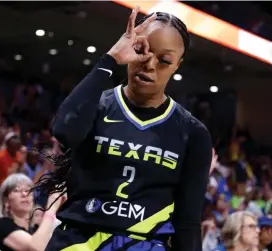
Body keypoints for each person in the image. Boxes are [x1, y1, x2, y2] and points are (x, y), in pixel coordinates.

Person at [35, 6, 212, 251]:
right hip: (78, 241)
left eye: (164, 61)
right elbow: (65, 130)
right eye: (142, 50)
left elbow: (187, 222)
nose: (150, 64)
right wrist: (110, 59)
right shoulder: (96, 106)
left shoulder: (193, 133)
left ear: (177, 65)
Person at [0, 173, 65, 251]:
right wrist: (51, 207)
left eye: (28, 190)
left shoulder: (36, 230)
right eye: (17, 190)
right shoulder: (1, 226)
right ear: (6, 201)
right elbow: (36, 248)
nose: (25, 194)